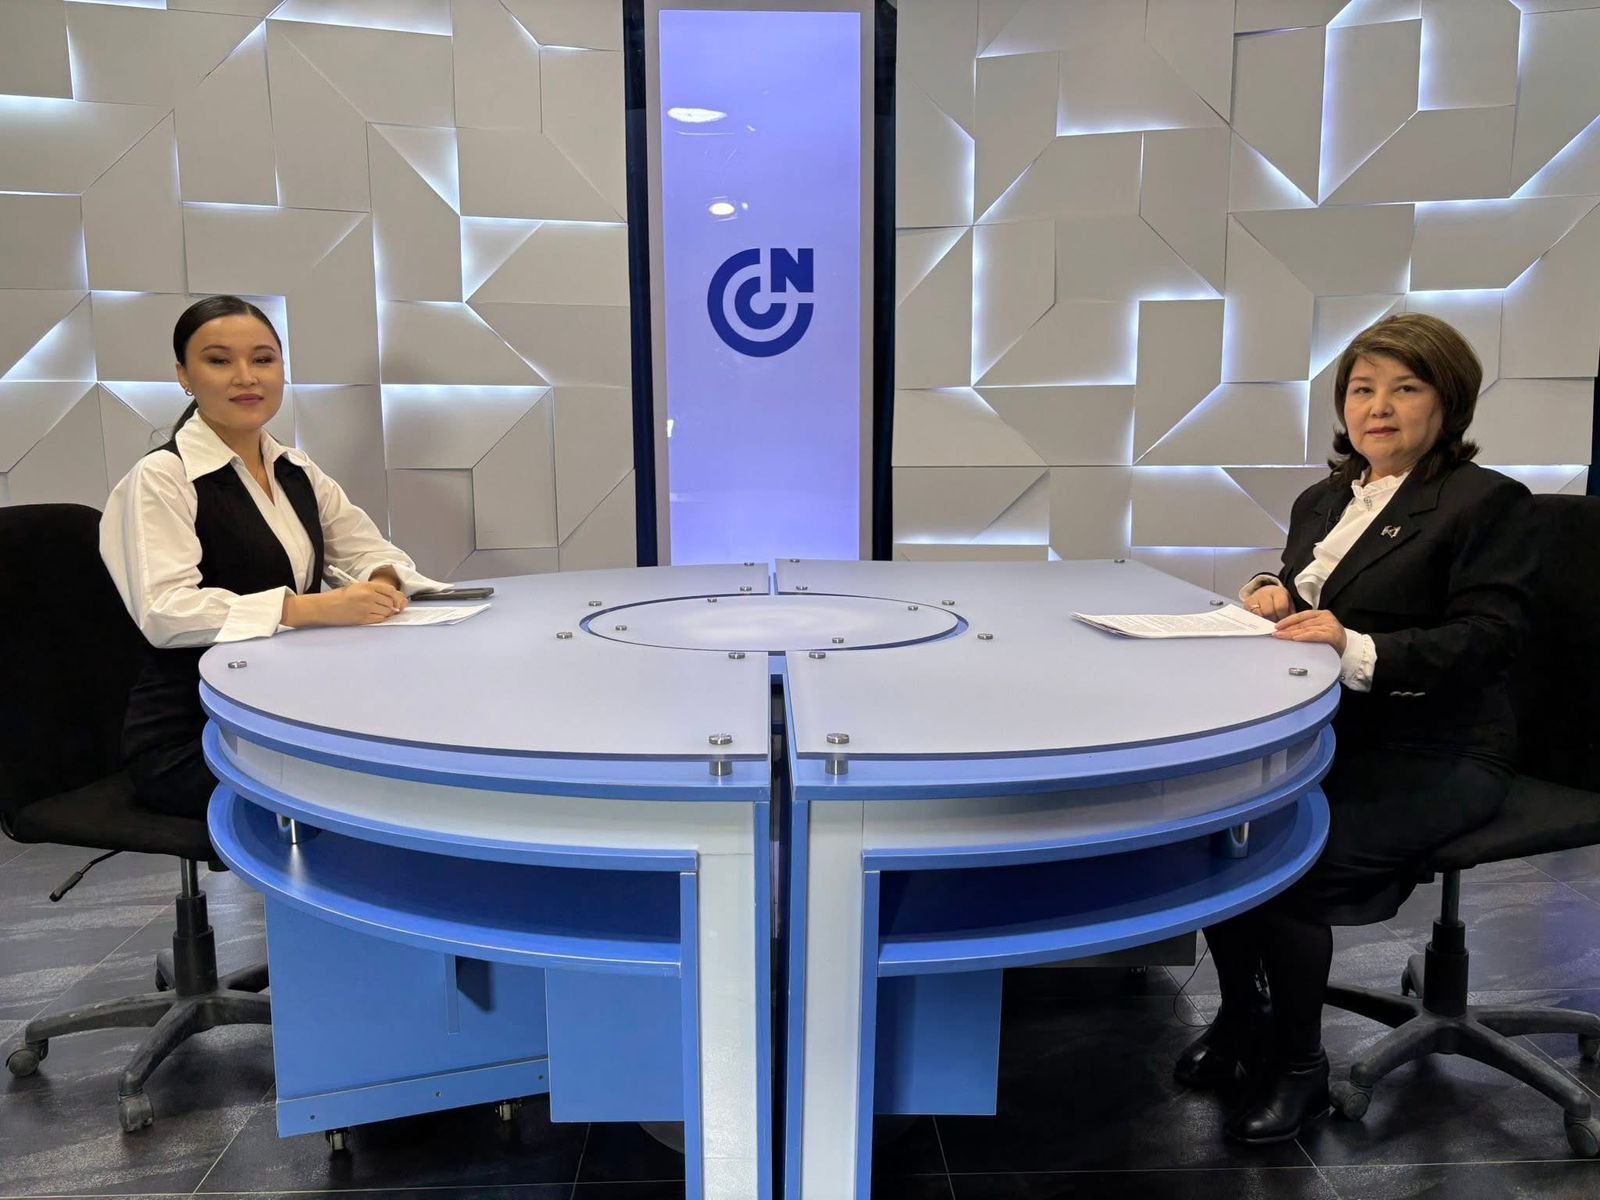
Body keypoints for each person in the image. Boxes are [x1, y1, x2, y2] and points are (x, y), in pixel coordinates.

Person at [1174, 313, 1537, 1144]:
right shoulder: (1325, 499)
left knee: (1289, 863)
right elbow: (1312, 592)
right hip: (1337, 736)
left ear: (1448, 402)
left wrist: (1355, 645)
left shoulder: (1486, 503)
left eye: (1405, 388)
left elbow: (1490, 640)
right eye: (1362, 389)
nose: (1379, 406)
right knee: (1222, 834)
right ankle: (1243, 1021)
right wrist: (1271, 591)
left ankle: (1300, 1066)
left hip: (1441, 747)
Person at [101, 295, 445, 820]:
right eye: (219, 361)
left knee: (412, 751)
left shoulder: (295, 469)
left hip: (286, 707)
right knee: (372, 789)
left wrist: (380, 580)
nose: (247, 377)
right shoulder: (161, 479)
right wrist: (308, 609)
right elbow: (165, 611)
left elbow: (369, 548)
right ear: (184, 376)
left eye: (263, 359)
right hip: (198, 733)